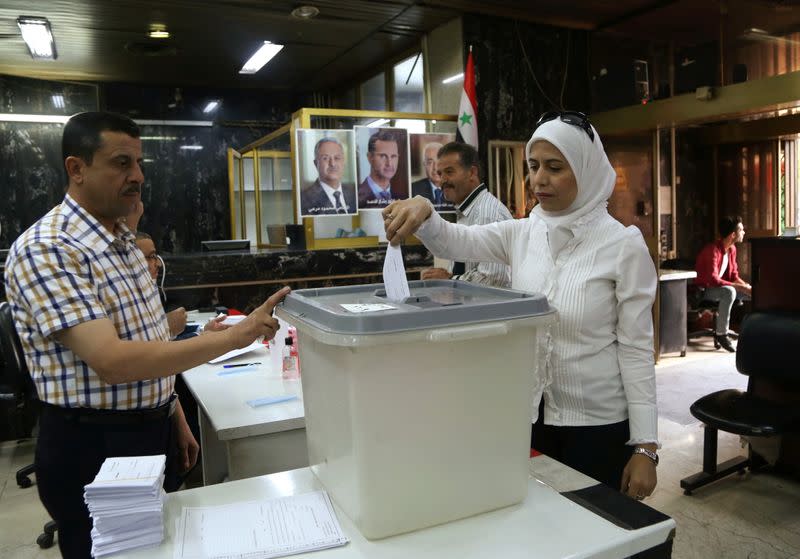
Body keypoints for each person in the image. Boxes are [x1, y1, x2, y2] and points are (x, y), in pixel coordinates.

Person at [3, 111, 290, 559]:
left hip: (149, 429)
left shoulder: (124, 241)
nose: (137, 176)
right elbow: (113, 360)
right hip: (93, 446)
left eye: (139, 165)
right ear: (76, 169)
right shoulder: (49, 248)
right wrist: (238, 335)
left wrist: (171, 410)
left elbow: (150, 337)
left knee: (162, 548)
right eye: (121, 163)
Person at [383, 111, 659, 500]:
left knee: (595, 527)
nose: (538, 179)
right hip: (532, 416)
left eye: (554, 167)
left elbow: (635, 349)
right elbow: (456, 241)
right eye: (532, 166)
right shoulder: (525, 233)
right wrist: (424, 213)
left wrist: (646, 446)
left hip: (598, 426)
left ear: (586, 170)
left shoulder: (622, 245)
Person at [419, 142, 512, 288]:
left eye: (449, 172)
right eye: (440, 173)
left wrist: (450, 279)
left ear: (472, 173)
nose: (442, 180)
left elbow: (495, 279)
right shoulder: (467, 210)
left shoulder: (488, 213)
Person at [694, 215, 751, 352]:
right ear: (733, 235)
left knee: (754, 293)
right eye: (741, 230)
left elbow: (733, 276)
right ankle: (721, 334)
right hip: (704, 291)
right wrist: (740, 287)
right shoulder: (712, 250)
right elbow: (713, 279)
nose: (743, 232)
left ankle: (754, 330)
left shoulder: (732, 250)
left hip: (720, 288)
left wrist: (747, 287)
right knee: (730, 291)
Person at [299, 137, 357, 215]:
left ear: (343, 162)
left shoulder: (355, 195)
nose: (332, 164)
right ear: (316, 164)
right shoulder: (303, 199)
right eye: (325, 158)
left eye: (337, 158)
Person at [358, 129, 405, 208]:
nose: (389, 163)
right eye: (383, 156)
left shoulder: (403, 198)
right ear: (370, 157)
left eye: (393, 156)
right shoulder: (356, 197)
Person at [411, 141, 452, 211]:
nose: (435, 168)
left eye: (439, 161)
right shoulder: (413, 189)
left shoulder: (455, 188)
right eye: (430, 162)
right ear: (424, 164)